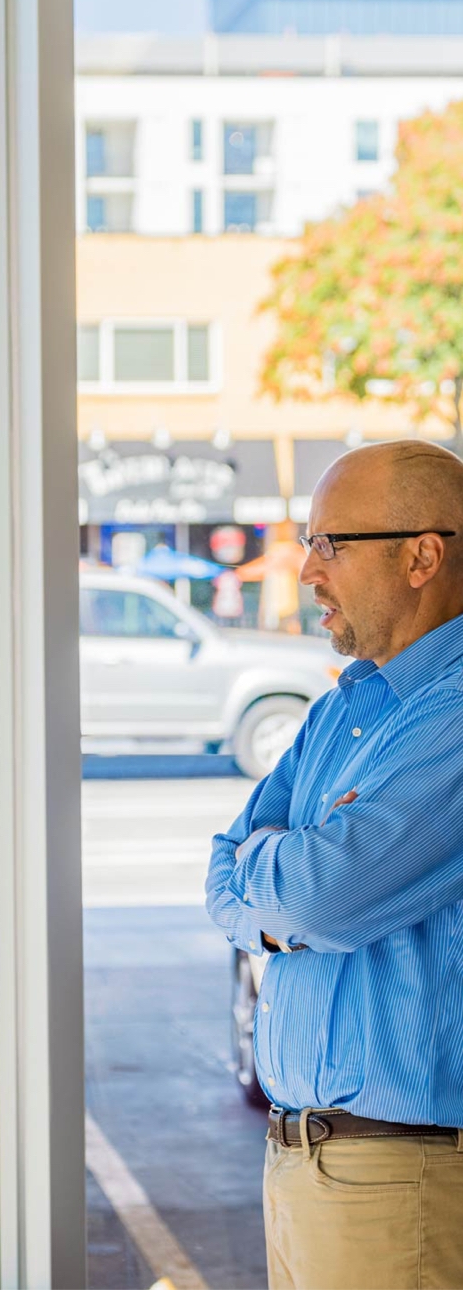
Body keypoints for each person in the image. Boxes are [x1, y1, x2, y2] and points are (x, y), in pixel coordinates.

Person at [205, 440, 463, 1290]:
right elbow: (220, 871)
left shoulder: (453, 715)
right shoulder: (342, 709)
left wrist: (277, 897)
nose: (307, 572)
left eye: (330, 545)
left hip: (402, 1180)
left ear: (424, 554)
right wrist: (284, 891)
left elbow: (320, 899)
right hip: (307, 1165)